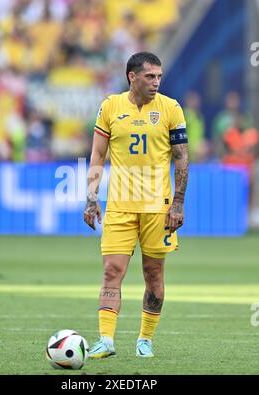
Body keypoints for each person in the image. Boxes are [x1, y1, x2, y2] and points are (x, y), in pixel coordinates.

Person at [84, 52, 189, 358]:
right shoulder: (111, 106)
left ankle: (145, 339)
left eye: (159, 76)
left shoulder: (171, 108)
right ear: (132, 77)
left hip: (159, 207)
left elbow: (182, 158)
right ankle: (106, 339)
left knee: (153, 275)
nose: (157, 82)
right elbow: (97, 157)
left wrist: (178, 204)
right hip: (119, 205)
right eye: (150, 76)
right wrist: (91, 198)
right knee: (111, 271)